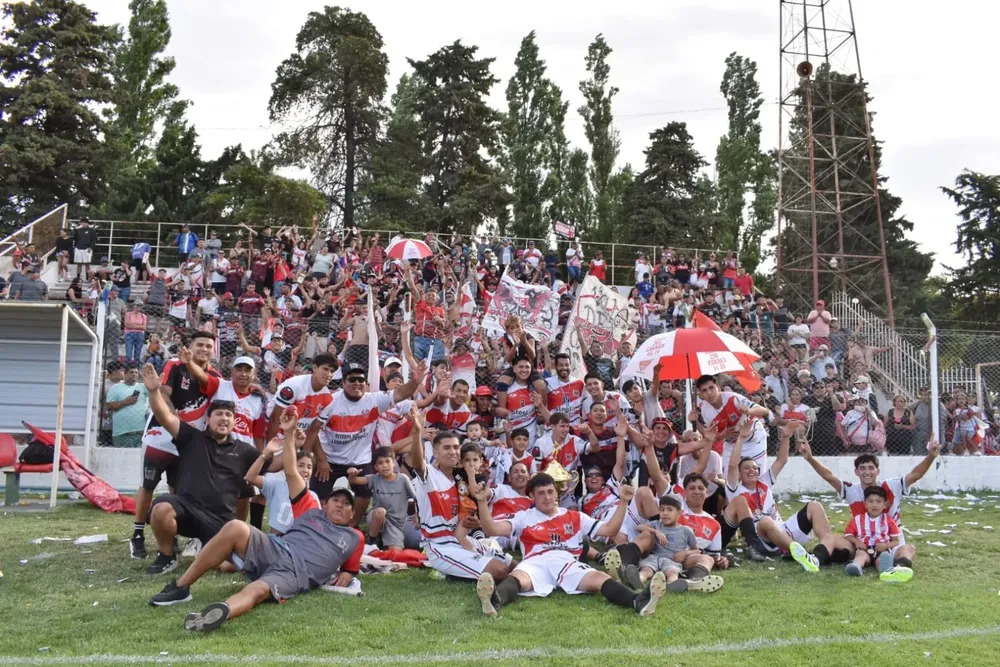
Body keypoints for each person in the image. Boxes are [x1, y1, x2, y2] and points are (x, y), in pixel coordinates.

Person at [149, 409, 365, 634]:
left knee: (258, 591)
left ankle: (220, 611)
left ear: (353, 514)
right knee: (236, 526)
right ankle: (182, 587)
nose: (340, 505)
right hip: (276, 548)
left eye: (346, 503)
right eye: (335, 500)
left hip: (296, 574)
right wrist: (289, 432)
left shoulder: (355, 537)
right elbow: (291, 471)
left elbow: (352, 567)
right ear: (325, 504)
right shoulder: (310, 510)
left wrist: (349, 573)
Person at [472, 473, 667, 618]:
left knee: (600, 577)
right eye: (541, 493)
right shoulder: (524, 517)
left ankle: (638, 601)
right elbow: (492, 529)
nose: (547, 497)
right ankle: (494, 600)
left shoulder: (574, 516)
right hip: (535, 562)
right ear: (532, 496)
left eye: (550, 492)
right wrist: (482, 502)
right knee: (518, 577)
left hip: (567, 561)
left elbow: (609, 531)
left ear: (556, 493)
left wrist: (624, 502)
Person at [140, 363, 262, 576]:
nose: (223, 418)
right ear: (208, 418)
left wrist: (289, 440)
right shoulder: (190, 438)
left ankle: (209, 553)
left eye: (228, 415)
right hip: (187, 511)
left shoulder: (246, 452)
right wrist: (153, 392)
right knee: (160, 509)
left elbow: (277, 466)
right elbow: (164, 416)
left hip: (220, 522)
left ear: (234, 421)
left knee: (231, 566)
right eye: (219, 414)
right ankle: (167, 556)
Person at [130, 332, 220, 561]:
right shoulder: (174, 365)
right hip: (160, 435)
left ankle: (172, 535)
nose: (204, 349)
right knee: (148, 484)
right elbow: (163, 392)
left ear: (214, 350)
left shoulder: (215, 376)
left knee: (179, 490)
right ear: (189, 347)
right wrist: (173, 419)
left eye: (209, 345)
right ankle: (137, 534)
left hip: (188, 443)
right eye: (199, 344)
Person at [796, 438, 941, 579]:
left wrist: (931, 457)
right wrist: (810, 458)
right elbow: (829, 476)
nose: (867, 472)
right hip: (861, 546)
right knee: (829, 538)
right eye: (862, 468)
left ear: (878, 471)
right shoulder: (852, 490)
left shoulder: (892, 486)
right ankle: (815, 561)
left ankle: (898, 569)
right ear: (856, 472)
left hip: (889, 543)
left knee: (908, 549)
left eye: (871, 468)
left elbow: (915, 475)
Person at [304, 360, 425, 521]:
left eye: (360, 379)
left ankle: (352, 526)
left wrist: (415, 381)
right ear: (343, 382)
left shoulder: (374, 400)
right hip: (329, 459)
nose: (357, 383)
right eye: (352, 379)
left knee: (365, 494)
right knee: (317, 498)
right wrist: (320, 459)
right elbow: (312, 431)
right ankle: (322, 526)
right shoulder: (330, 402)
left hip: (360, 460)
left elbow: (401, 393)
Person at [728, 422, 854, 571]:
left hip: (782, 529)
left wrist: (786, 436)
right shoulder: (735, 488)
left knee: (815, 506)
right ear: (740, 473)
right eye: (746, 468)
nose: (751, 471)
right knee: (765, 520)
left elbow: (781, 460)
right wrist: (741, 438)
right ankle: (799, 553)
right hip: (761, 537)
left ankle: (825, 550)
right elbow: (732, 466)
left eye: (755, 468)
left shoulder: (764, 482)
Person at [408, 407, 512, 582]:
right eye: (446, 448)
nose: (452, 451)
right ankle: (448, 570)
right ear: (435, 453)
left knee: (512, 564)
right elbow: (418, 463)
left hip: (462, 539)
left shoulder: (460, 478)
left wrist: (471, 522)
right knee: (499, 570)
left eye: (456, 447)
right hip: (440, 546)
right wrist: (418, 432)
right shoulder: (429, 476)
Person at [622, 494, 724, 594]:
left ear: (679, 513)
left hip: (672, 560)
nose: (665, 513)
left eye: (670, 510)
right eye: (662, 510)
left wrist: (685, 553)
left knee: (672, 573)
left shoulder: (685, 531)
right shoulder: (656, 524)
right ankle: (638, 580)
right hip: (654, 557)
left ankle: (673, 585)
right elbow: (639, 527)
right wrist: (656, 532)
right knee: (646, 570)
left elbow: (696, 550)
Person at [692, 374, 771, 470]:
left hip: (753, 439)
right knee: (728, 479)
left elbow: (764, 411)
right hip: (731, 443)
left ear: (718, 387)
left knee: (755, 477)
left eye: (711, 388)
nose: (709, 393)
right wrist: (696, 421)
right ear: (700, 394)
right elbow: (712, 438)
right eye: (704, 390)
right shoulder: (705, 411)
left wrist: (749, 411)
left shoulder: (733, 398)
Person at [347, 446, 416, 551]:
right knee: (380, 512)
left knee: (396, 552)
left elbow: (417, 498)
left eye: (387, 461)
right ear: (375, 467)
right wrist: (352, 474)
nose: (384, 466)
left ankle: (384, 541)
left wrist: (417, 515)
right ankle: (372, 539)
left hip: (396, 523)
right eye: (380, 463)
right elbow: (355, 480)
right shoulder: (375, 478)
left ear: (393, 463)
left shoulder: (403, 479)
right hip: (377, 518)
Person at [843, 486, 910, 582]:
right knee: (860, 555)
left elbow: (896, 541)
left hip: (881, 549)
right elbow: (848, 535)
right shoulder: (857, 519)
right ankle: (856, 567)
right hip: (865, 548)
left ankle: (885, 571)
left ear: (885, 504)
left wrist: (886, 545)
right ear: (865, 504)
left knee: (882, 559)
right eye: (871, 501)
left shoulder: (889, 520)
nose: (874, 505)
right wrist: (857, 541)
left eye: (878, 501)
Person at [105, 365, 149, 448]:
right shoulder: (116, 388)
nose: (134, 374)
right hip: (121, 433)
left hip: (140, 432)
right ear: (125, 374)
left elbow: (156, 396)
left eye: (136, 372)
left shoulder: (143, 387)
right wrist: (125, 402)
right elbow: (109, 406)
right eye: (131, 372)